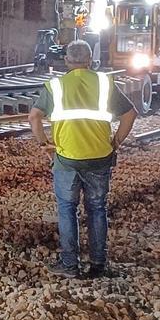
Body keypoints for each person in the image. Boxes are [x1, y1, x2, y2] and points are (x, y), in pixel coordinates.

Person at [28, 40, 138, 279]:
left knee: (67, 209)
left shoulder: (55, 86)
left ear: (67, 61)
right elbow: (130, 114)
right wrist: (116, 142)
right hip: (99, 158)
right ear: (90, 60)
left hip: (66, 158)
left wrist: (44, 144)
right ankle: (98, 264)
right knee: (97, 209)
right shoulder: (104, 82)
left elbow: (34, 117)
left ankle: (70, 264)